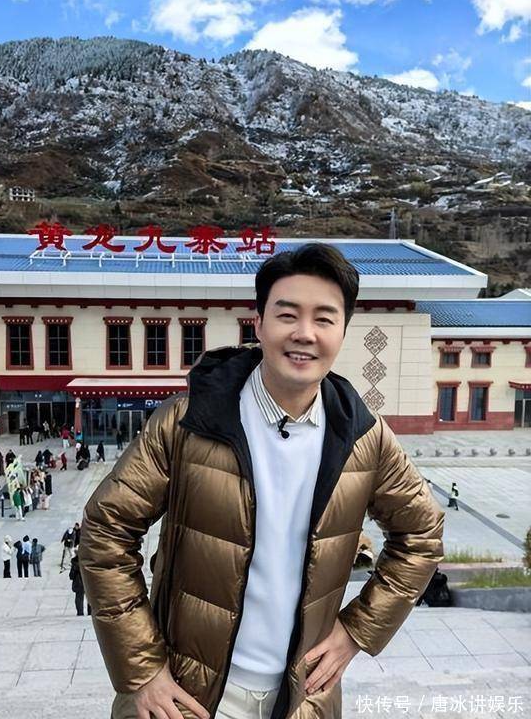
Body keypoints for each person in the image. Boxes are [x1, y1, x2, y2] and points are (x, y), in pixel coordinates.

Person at [80, 243, 445, 719]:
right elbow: (105, 530)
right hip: (186, 697)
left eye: (324, 318)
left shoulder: (363, 437)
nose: (304, 333)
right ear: (259, 323)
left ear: (343, 331)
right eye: (287, 315)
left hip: (303, 700)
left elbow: (422, 534)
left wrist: (357, 630)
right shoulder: (189, 421)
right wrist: (142, 669)